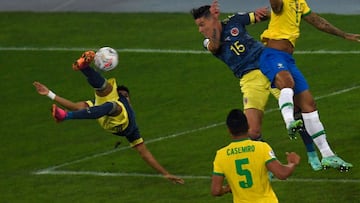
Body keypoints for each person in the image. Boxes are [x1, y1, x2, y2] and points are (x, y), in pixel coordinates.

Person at [191, 0, 321, 171]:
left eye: (202, 24)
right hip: (249, 81)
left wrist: (276, 13)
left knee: (297, 109)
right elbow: (215, 46)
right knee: (252, 132)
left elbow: (264, 15)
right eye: (198, 26)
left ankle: (312, 153)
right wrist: (214, 22)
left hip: (267, 65)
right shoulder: (208, 42)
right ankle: (269, 165)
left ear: (211, 19)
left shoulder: (235, 21)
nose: (200, 29)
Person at [33, 51, 185, 184]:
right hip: (106, 112)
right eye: (123, 95)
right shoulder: (116, 101)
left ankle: (68, 112)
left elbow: (144, 153)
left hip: (118, 122)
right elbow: (76, 106)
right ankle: (84, 68)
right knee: (106, 95)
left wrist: (166, 174)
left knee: (112, 104)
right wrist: (49, 94)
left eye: (126, 95)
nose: (124, 96)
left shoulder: (132, 128)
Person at [259, 0, 359, 171]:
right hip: (272, 55)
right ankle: (290, 121)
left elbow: (317, 21)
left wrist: (344, 35)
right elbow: (276, 6)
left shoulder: (300, 2)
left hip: (288, 60)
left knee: (309, 104)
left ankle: (328, 155)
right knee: (287, 83)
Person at [211, 109, 300, 202]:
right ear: (248, 126)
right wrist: (292, 163)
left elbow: (215, 190)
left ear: (229, 130)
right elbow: (282, 174)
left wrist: (227, 189)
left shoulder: (221, 155)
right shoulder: (261, 147)